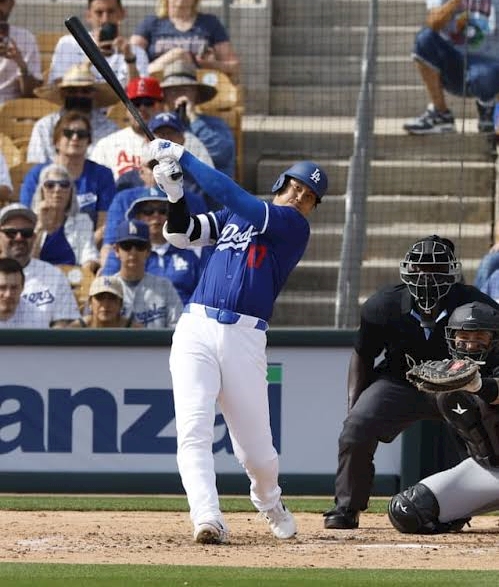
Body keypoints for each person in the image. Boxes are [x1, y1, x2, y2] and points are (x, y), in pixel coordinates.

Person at [147, 136, 329, 543]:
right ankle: (207, 517)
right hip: (195, 327)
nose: (299, 197)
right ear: (281, 184)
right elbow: (181, 233)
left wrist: (183, 157)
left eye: (309, 197)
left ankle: (268, 500)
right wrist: (174, 194)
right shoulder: (235, 215)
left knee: (257, 453)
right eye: (296, 187)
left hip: (244, 337)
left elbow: (235, 196)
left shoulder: (292, 226)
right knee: (193, 429)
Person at [322, 235, 499, 530]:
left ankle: (457, 507)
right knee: (356, 428)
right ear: (406, 270)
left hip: (458, 387)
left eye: (436, 269)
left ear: (452, 271)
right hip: (401, 381)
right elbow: (362, 355)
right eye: (419, 268)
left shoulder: (475, 304)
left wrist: (479, 389)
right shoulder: (383, 305)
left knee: (480, 435)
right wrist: (354, 406)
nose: (427, 276)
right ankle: (347, 507)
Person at [388, 301, 499, 534]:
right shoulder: (447, 381)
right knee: (408, 510)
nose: (470, 345)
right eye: (463, 337)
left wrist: (478, 385)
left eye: (480, 337)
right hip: (489, 471)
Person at [404, 0, 499, 134]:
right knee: (424, 39)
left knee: (485, 74)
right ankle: (441, 114)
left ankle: (488, 110)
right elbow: (433, 24)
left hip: (488, 67)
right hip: (453, 64)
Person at [20, 111, 116, 241]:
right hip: (42, 243)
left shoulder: (102, 174)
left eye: (82, 134)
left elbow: (103, 224)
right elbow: (26, 219)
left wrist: (84, 248)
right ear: (56, 141)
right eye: (68, 133)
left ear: (88, 141)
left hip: (88, 244)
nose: (75, 138)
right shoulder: (37, 174)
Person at [101, 188, 208, 304]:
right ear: (137, 217)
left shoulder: (194, 249)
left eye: (163, 211)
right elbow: (107, 289)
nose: (156, 216)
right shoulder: (125, 250)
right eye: (148, 211)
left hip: (186, 312)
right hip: (139, 312)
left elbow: (206, 292)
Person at [130, 0, 240, 83]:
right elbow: (130, 58)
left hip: (198, 87)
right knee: (179, 54)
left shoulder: (210, 23)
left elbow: (234, 67)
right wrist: (176, 56)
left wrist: (211, 64)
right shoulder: (151, 23)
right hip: (158, 85)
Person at [48, 0, 149, 87]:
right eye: (99, 13)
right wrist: (92, 57)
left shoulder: (135, 52)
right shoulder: (68, 44)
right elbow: (58, 86)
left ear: (122, 13)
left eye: (111, 11)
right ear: (88, 16)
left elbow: (140, 93)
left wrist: (130, 60)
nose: (105, 19)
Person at [0, 203, 79, 326]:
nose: (19, 238)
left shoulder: (54, 275)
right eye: (11, 232)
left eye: (26, 232)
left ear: (34, 237)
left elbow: (64, 323)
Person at [27, 62, 118, 164]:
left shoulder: (109, 129)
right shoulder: (44, 126)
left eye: (85, 91)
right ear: (62, 94)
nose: (79, 95)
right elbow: (35, 164)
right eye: (72, 91)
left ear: (94, 95)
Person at [160, 59, 236, 178]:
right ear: (164, 96)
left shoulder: (216, 124)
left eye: (185, 90)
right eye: (173, 91)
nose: (179, 96)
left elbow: (221, 154)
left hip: (208, 186)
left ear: (196, 94)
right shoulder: (158, 127)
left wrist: (193, 119)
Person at [89, 76, 165, 180]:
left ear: (161, 107)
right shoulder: (107, 145)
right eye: (136, 103)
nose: (142, 108)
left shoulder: (174, 141)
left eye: (148, 103)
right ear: (126, 108)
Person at [111, 219, 183, 328]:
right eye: (127, 245)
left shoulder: (164, 287)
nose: (133, 252)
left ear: (148, 250)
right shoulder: (108, 288)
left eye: (139, 245)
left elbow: (178, 326)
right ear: (116, 250)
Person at [30, 163, 99, 272]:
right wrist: (40, 227)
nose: (57, 189)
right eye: (50, 185)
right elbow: (28, 263)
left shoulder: (82, 221)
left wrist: (84, 273)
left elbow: (89, 255)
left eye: (64, 184)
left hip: (73, 278)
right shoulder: (29, 222)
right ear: (42, 191)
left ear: (71, 192)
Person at [0, 0, 42, 103]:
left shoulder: (25, 38)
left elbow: (31, 93)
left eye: (1, 0)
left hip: (11, 109)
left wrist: (21, 64)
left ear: (12, 3)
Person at [68, 275, 142, 329]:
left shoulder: (136, 331)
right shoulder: (75, 329)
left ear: (121, 304)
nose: (106, 304)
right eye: (100, 298)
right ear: (90, 303)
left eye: (112, 298)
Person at [0, 257, 51, 328]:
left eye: (14, 288)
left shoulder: (37, 317)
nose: (8, 294)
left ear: (22, 287)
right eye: (2, 287)